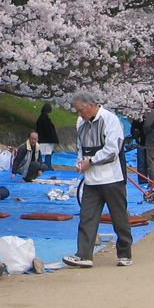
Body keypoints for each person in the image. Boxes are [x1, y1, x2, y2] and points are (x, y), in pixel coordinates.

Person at [62, 91, 133, 269]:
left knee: (119, 217)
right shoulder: (81, 123)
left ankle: (125, 253)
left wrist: (90, 161)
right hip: (91, 180)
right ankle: (84, 254)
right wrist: (80, 161)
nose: (80, 114)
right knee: (87, 217)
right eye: (78, 111)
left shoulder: (110, 119)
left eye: (81, 110)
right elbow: (81, 147)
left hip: (112, 178)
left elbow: (112, 150)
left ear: (91, 105)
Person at [34, 103, 59, 170]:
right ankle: (47, 166)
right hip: (46, 140)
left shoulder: (42, 118)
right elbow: (47, 130)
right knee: (47, 153)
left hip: (43, 139)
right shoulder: (44, 118)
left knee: (44, 153)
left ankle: (45, 166)